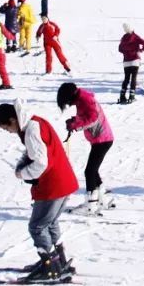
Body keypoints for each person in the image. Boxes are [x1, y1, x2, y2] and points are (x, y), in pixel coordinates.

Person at [0, 99, 78, 282]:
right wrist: (23, 164)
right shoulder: (34, 122)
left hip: (52, 185)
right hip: (63, 180)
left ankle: (51, 268)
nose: (7, 131)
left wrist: (23, 173)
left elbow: (40, 162)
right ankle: (59, 261)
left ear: (12, 120)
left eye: (5, 127)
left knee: (37, 226)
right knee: (50, 223)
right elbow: (35, 152)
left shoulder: (31, 130)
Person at [57, 84, 114, 213]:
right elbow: (86, 116)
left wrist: (75, 125)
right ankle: (103, 198)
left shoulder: (85, 100)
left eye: (67, 102)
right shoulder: (82, 99)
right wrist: (74, 120)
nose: (68, 105)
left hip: (102, 139)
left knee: (89, 171)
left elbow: (93, 118)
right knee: (93, 170)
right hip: (101, 139)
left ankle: (91, 205)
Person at [117, 23, 144, 104]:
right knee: (133, 78)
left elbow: (119, 48)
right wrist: (140, 50)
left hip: (126, 61)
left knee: (126, 78)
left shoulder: (123, 38)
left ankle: (122, 95)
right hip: (135, 60)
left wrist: (125, 52)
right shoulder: (135, 36)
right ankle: (132, 95)